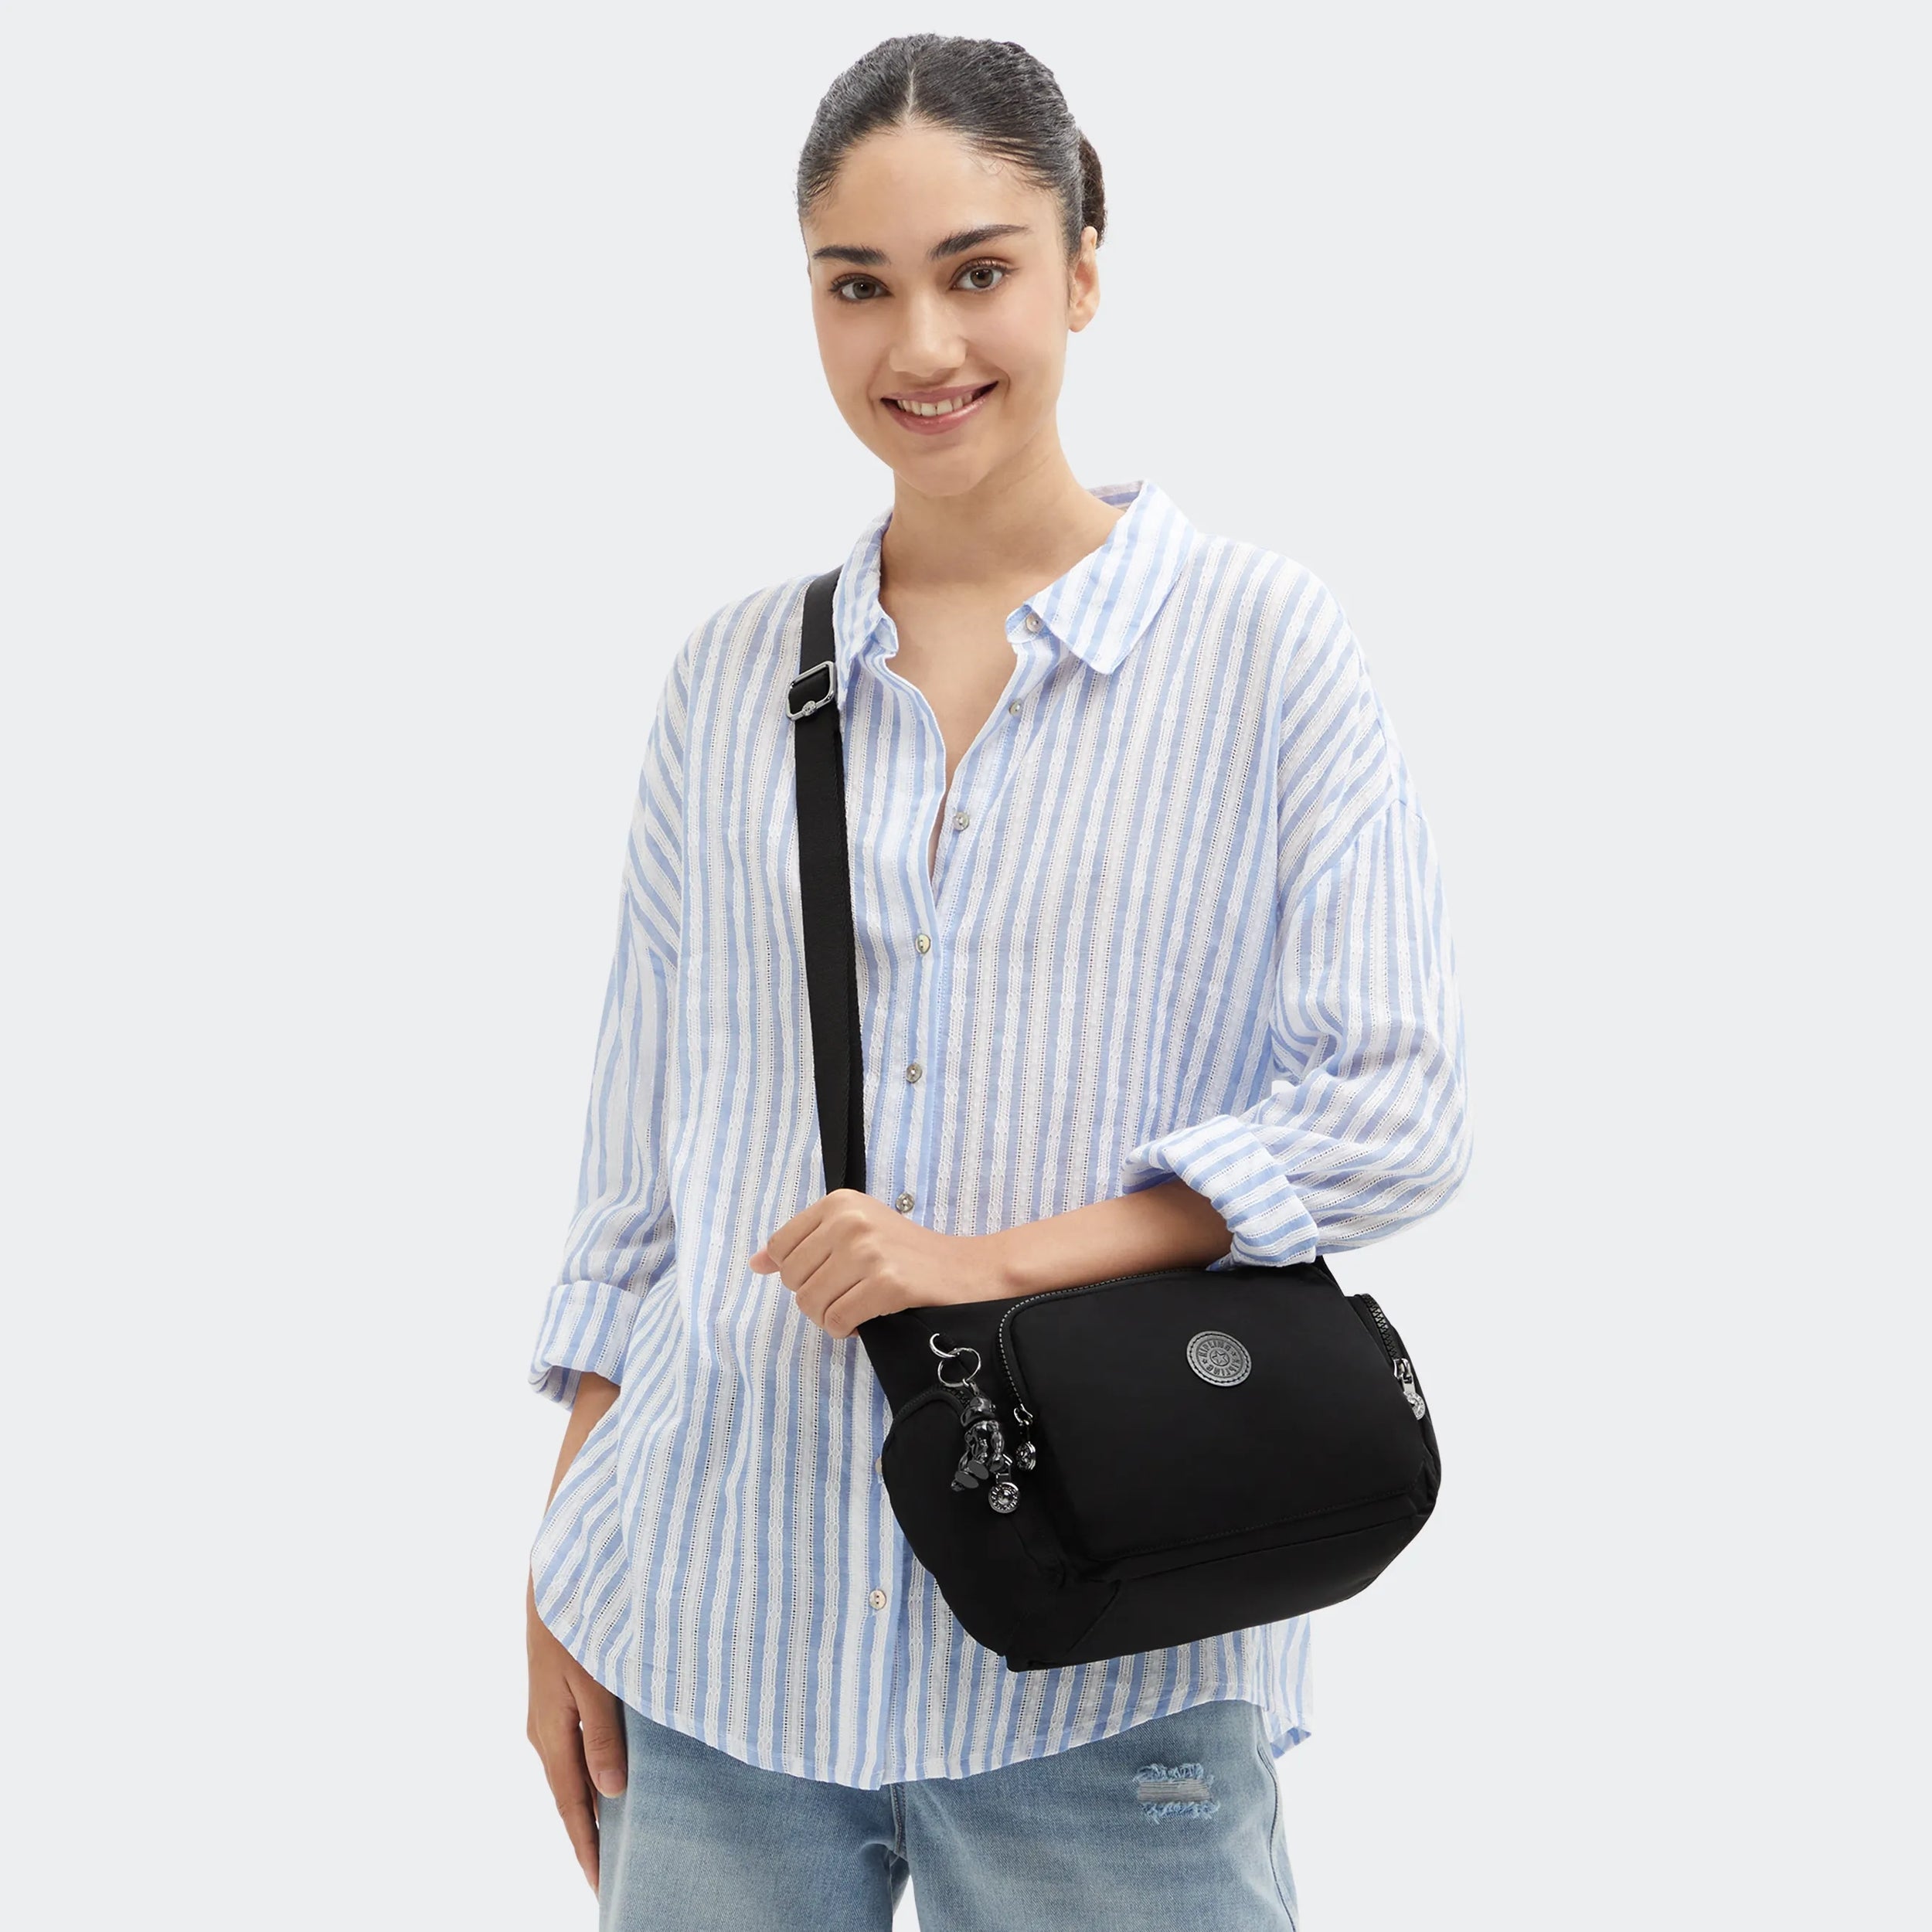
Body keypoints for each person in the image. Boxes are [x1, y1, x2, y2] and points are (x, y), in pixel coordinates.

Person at [524, 32, 1471, 1931]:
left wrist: (990, 1260)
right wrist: (563, 1575)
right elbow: (637, 1185)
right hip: (713, 1636)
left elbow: (1392, 1106)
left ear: (1083, 268)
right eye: (856, 285)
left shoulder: (1261, 647)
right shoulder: (729, 680)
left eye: (977, 271)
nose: (921, 345)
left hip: (1111, 1666)